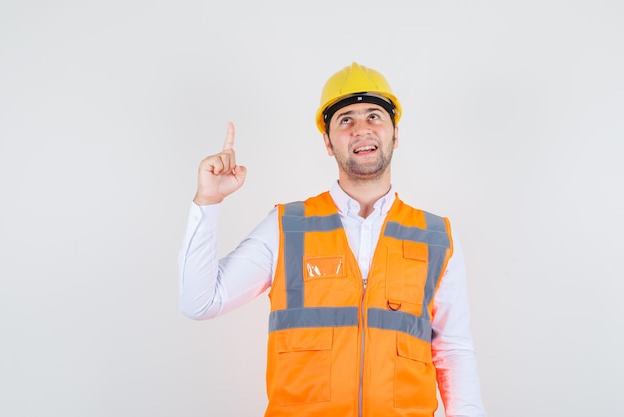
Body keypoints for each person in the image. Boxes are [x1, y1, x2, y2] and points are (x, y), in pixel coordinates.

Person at [178, 62, 486, 417]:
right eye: (346, 120)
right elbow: (199, 302)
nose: (361, 129)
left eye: (374, 116)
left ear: (395, 134)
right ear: (327, 142)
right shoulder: (286, 227)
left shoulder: (437, 237)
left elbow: (453, 351)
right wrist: (208, 202)